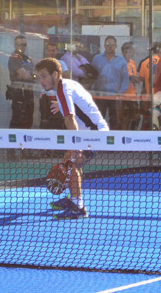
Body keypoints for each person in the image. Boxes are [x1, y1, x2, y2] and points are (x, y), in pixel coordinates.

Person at [35, 57, 109, 220]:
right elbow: (81, 102)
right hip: (89, 132)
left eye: (43, 76)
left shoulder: (63, 88)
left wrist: (75, 146)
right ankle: (74, 198)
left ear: (55, 74)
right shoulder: (68, 85)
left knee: (73, 162)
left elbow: (70, 118)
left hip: (94, 134)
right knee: (68, 160)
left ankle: (78, 207)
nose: (41, 80)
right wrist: (61, 104)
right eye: (39, 77)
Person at [92, 36, 129, 130]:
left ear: (116, 46)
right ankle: (98, 141)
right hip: (100, 95)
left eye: (112, 45)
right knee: (98, 120)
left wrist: (120, 93)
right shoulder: (97, 59)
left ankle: (114, 142)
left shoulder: (121, 60)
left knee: (115, 121)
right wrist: (93, 92)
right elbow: (91, 77)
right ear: (104, 45)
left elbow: (125, 79)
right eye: (108, 44)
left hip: (115, 96)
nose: (110, 46)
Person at [7, 35, 35, 129]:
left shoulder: (27, 58)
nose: (22, 47)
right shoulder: (14, 58)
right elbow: (25, 76)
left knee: (28, 120)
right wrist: (33, 75)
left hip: (29, 93)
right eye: (20, 45)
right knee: (18, 121)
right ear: (15, 45)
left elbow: (32, 74)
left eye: (24, 44)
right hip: (19, 93)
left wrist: (32, 75)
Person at [39, 42, 67, 130]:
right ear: (46, 51)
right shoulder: (42, 63)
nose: (51, 52)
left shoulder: (61, 63)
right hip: (45, 97)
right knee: (45, 123)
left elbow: (67, 76)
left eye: (53, 50)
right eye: (49, 50)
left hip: (58, 97)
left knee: (59, 123)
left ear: (57, 51)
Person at [119, 42, 141, 130]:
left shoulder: (132, 62)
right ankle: (124, 136)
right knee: (125, 118)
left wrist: (136, 78)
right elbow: (133, 78)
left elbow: (136, 77)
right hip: (124, 95)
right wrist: (135, 78)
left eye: (130, 52)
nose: (127, 54)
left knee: (136, 117)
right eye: (125, 52)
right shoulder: (121, 62)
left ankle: (133, 135)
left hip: (133, 94)